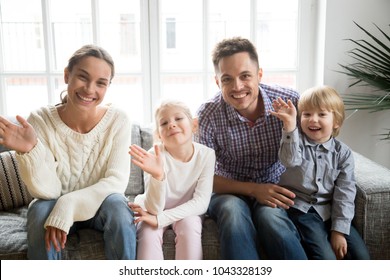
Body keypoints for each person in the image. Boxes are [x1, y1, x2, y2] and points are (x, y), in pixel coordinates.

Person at [0, 45, 136, 260]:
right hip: (52, 202)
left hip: (101, 204)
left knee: (118, 206)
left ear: (108, 86)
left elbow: (116, 182)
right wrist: (29, 151)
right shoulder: (40, 120)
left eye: (101, 83)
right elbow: (48, 191)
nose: (90, 89)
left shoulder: (118, 120)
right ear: (67, 75)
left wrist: (68, 203)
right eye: (83, 77)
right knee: (39, 210)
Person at [196, 37, 307, 259]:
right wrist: (254, 190)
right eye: (227, 79)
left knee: (272, 220)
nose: (237, 87)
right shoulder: (207, 115)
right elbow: (203, 177)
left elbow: (312, 151)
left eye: (245, 76)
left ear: (259, 75)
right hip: (228, 190)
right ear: (218, 82)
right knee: (233, 213)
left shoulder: (290, 101)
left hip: (275, 185)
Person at [269, 85, 370, 259]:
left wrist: (338, 230)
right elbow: (289, 160)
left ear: (336, 121)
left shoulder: (343, 154)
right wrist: (290, 126)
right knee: (326, 257)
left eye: (322, 114)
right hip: (302, 211)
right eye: (307, 114)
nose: (313, 120)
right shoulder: (295, 141)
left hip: (330, 211)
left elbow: (345, 193)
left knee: (361, 256)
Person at [128, 100, 216, 260]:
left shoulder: (207, 155)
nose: (172, 125)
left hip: (188, 211)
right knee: (148, 230)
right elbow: (154, 209)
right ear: (159, 135)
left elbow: (201, 203)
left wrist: (161, 220)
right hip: (154, 208)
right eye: (164, 122)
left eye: (178, 119)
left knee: (190, 225)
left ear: (194, 125)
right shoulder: (153, 156)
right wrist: (158, 176)